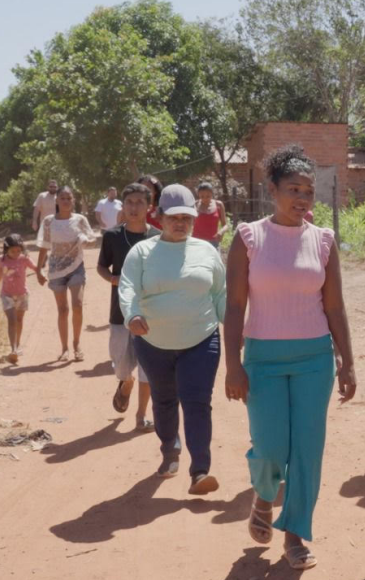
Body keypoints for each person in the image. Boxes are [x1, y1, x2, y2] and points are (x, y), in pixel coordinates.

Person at [224, 146, 356, 570]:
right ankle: (264, 497)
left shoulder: (322, 241)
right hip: (262, 358)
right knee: (270, 446)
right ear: (272, 190)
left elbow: (335, 307)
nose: (302, 198)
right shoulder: (248, 238)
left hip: (314, 358)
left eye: (308, 191)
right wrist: (232, 364)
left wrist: (348, 361)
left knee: (306, 450)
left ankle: (295, 532)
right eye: (293, 188)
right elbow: (233, 308)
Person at [119, 183, 226, 495]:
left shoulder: (206, 251)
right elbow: (127, 288)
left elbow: (220, 293)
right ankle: (170, 450)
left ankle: (200, 471)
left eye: (187, 218)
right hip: (153, 342)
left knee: (197, 403)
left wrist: (233, 326)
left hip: (201, 339)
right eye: (174, 217)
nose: (181, 223)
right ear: (159, 217)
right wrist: (132, 315)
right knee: (164, 400)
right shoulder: (142, 252)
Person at [97, 183, 159, 433]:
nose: (134, 208)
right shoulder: (112, 236)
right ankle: (126, 382)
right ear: (123, 206)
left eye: (140, 202)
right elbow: (102, 266)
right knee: (121, 364)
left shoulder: (157, 237)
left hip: (150, 313)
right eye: (129, 202)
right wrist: (113, 279)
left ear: (149, 206)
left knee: (149, 369)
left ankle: (141, 415)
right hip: (119, 312)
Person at [35, 186, 94, 362]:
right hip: (56, 269)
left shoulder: (80, 220)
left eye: (69, 198)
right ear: (57, 201)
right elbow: (45, 246)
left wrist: (86, 241)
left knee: (77, 305)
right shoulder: (48, 222)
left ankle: (77, 344)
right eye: (63, 198)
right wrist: (38, 269)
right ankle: (64, 348)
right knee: (63, 309)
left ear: (73, 200)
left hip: (77, 267)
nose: (66, 201)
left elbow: (91, 239)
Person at [0, 234, 46, 364]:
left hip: (22, 294)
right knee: (12, 320)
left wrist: (41, 275)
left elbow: (36, 268)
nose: (16, 253)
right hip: (7, 295)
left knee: (19, 320)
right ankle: (13, 349)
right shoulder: (2, 260)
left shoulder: (24, 259)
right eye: (12, 251)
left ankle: (18, 343)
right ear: (6, 249)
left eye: (18, 250)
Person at [192, 182, 229, 249]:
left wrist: (221, 232)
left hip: (213, 243)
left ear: (212, 194)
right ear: (198, 195)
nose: (205, 199)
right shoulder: (195, 205)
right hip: (197, 242)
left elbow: (225, 225)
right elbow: (189, 223)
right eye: (202, 196)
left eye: (208, 196)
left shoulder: (219, 205)